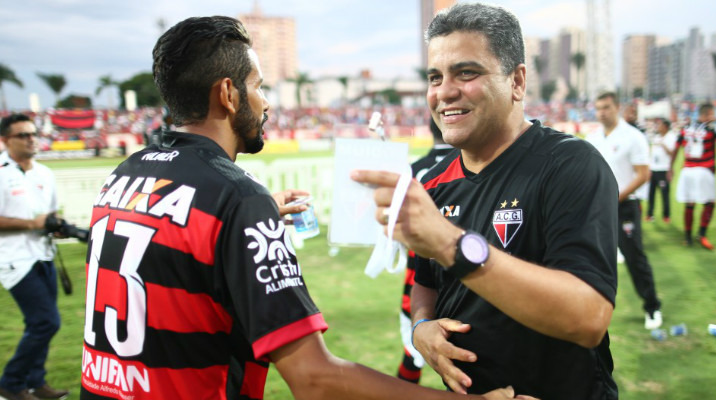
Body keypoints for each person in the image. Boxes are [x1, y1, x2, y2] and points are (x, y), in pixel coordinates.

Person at [79, 16, 532, 400]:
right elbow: (314, 378)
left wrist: (237, 223)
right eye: (259, 87)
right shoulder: (236, 198)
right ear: (228, 95)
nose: (267, 102)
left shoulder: (124, 176)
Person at [352, 4, 618, 398]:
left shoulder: (569, 165)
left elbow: (588, 316)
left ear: (517, 81)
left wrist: (451, 243)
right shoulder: (434, 183)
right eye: (435, 77)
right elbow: (426, 283)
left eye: (466, 72)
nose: (444, 92)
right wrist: (422, 327)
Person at [0, 114, 69, 400]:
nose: (31, 139)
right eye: (23, 135)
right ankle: (11, 384)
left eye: (33, 134)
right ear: (5, 141)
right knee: (46, 322)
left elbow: (50, 215)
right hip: (14, 260)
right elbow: (34, 220)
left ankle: (35, 381)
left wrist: (57, 226)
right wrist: (33, 224)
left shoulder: (44, 173)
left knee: (38, 323)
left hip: (44, 256)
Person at [586, 92, 663, 330]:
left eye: (606, 107)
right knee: (590, 258)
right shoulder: (593, 137)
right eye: (598, 108)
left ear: (617, 107)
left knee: (634, 257)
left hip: (625, 206)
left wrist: (615, 196)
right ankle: (592, 310)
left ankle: (652, 307)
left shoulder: (633, 136)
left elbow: (643, 174)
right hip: (598, 206)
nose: (602, 112)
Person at [397, 118, 453, 384]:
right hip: (467, 276)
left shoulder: (412, 171)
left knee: (413, 347)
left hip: (418, 275)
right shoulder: (473, 170)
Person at [668, 103, 716, 250]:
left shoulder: (685, 130)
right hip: (704, 171)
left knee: (690, 204)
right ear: (709, 114)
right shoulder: (711, 130)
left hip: (687, 172)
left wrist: (670, 168)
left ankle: (688, 238)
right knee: (709, 203)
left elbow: (676, 149)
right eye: (712, 114)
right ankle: (701, 234)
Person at [646, 118, 677, 223]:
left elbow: (673, 153)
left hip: (664, 170)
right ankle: (650, 214)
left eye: (660, 125)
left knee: (664, 194)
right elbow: (652, 154)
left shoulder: (671, 137)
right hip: (654, 169)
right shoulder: (656, 137)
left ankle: (666, 215)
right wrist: (649, 168)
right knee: (651, 193)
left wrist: (664, 146)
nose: (658, 127)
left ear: (666, 127)